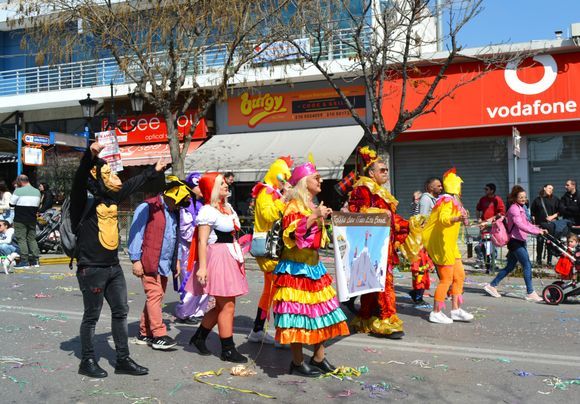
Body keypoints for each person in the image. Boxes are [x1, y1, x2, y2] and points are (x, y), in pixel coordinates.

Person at [71, 142, 164, 378]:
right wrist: (90, 157)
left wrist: (153, 171)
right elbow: (81, 176)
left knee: (121, 312)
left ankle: (122, 359)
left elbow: (132, 184)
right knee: (91, 316)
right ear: (97, 176)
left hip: (113, 267)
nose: (114, 176)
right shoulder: (82, 199)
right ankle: (88, 360)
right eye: (108, 173)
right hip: (91, 268)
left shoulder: (112, 196)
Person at [272, 162, 349, 377]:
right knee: (298, 316)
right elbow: (292, 235)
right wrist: (314, 216)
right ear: (304, 182)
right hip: (296, 269)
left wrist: (319, 215)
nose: (321, 180)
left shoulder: (309, 204)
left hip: (313, 267)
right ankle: (297, 362)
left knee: (323, 313)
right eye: (316, 177)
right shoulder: (293, 205)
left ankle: (318, 357)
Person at [348, 146, 410, 339]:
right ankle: (386, 320)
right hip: (372, 245)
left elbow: (391, 218)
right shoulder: (363, 188)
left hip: (383, 245)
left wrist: (409, 225)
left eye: (386, 170)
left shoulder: (380, 192)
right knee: (384, 283)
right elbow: (357, 212)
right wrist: (380, 214)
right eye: (382, 170)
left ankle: (367, 316)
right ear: (372, 173)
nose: (386, 173)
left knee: (374, 283)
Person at [188, 173, 249, 364]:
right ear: (212, 188)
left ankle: (199, 337)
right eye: (221, 183)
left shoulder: (227, 207)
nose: (226, 185)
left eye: (225, 182)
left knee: (223, 305)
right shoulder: (208, 210)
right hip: (219, 258)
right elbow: (202, 240)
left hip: (231, 256)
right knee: (228, 305)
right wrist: (202, 268)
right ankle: (228, 349)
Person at [128, 176, 192, 351]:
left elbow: (175, 238)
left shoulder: (174, 212)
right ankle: (158, 334)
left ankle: (144, 332)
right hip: (149, 261)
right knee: (155, 296)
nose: (179, 206)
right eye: (178, 202)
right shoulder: (147, 207)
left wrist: (177, 261)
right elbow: (136, 234)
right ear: (170, 195)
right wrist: (135, 261)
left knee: (155, 297)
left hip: (164, 263)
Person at [247, 156, 293, 345]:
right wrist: (284, 199)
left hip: (274, 249)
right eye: (284, 177)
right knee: (277, 290)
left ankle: (258, 329)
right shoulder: (267, 192)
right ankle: (278, 335)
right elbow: (268, 215)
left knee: (271, 290)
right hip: (270, 249)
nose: (286, 181)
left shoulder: (271, 191)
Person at [423, 168, 474, 324]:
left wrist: (463, 219)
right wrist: (457, 218)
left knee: (459, 276)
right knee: (446, 279)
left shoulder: (455, 201)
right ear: (455, 186)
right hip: (441, 244)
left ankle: (455, 310)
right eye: (459, 185)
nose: (461, 187)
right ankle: (436, 312)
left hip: (450, 244)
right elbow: (444, 219)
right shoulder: (446, 200)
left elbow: (456, 219)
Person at [483, 186, 547, 302]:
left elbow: (527, 224)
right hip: (515, 241)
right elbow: (520, 225)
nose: (523, 199)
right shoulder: (514, 209)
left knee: (510, 266)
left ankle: (492, 285)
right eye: (520, 197)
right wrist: (537, 232)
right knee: (527, 265)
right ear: (515, 198)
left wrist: (539, 229)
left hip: (519, 240)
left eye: (525, 197)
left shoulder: (522, 207)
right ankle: (530, 292)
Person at [174, 172, 209, 325]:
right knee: (189, 281)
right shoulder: (185, 205)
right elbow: (185, 231)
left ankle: (199, 310)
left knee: (203, 280)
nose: (201, 189)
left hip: (202, 247)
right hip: (188, 249)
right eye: (198, 186)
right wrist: (202, 233)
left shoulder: (203, 204)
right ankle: (185, 312)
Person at [9, 175, 40, 268]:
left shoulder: (18, 191)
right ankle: (35, 260)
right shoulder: (37, 191)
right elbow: (37, 205)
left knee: (21, 239)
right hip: (32, 219)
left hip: (20, 219)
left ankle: (24, 261)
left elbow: (11, 204)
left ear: (20, 181)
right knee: (32, 239)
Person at [475, 183, 506, 271]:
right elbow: (478, 209)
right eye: (485, 189)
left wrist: (492, 219)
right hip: (483, 225)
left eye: (486, 189)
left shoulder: (497, 199)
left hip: (493, 225)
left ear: (492, 190)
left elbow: (501, 213)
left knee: (493, 243)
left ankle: (493, 261)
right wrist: (479, 219)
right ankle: (481, 260)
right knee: (482, 243)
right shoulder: (483, 199)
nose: (485, 191)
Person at [530, 184, 560, 266]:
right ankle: (538, 260)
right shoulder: (538, 200)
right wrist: (534, 222)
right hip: (540, 225)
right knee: (539, 242)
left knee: (550, 243)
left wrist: (552, 217)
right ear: (544, 188)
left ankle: (549, 262)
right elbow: (532, 213)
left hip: (551, 225)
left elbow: (560, 212)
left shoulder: (556, 199)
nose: (551, 190)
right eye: (549, 188)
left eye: (552, 189)